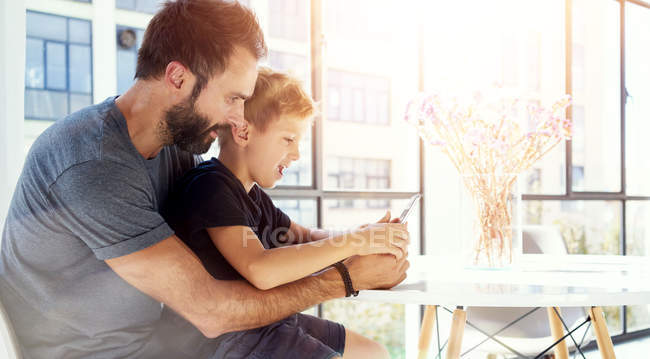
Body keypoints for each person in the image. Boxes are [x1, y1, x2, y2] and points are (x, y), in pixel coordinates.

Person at [0, 1, 409, 358]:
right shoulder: (92, 164)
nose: (237, 119)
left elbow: (279, 235)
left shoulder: (178, 146)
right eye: (232, 98)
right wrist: (346, 278)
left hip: (164, 345)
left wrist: (362, 237)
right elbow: (213, 311)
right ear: (177, 78)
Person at [161, 68, 409, 359]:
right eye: (288, 139)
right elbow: (260, 268)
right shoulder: (210, 186)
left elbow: (305, 237)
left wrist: (364, 235)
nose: (297, 154)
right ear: (243, 131)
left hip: (266, 323)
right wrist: (356, 242)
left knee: (373, 352)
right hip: (227, 343)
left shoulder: (251, 194)